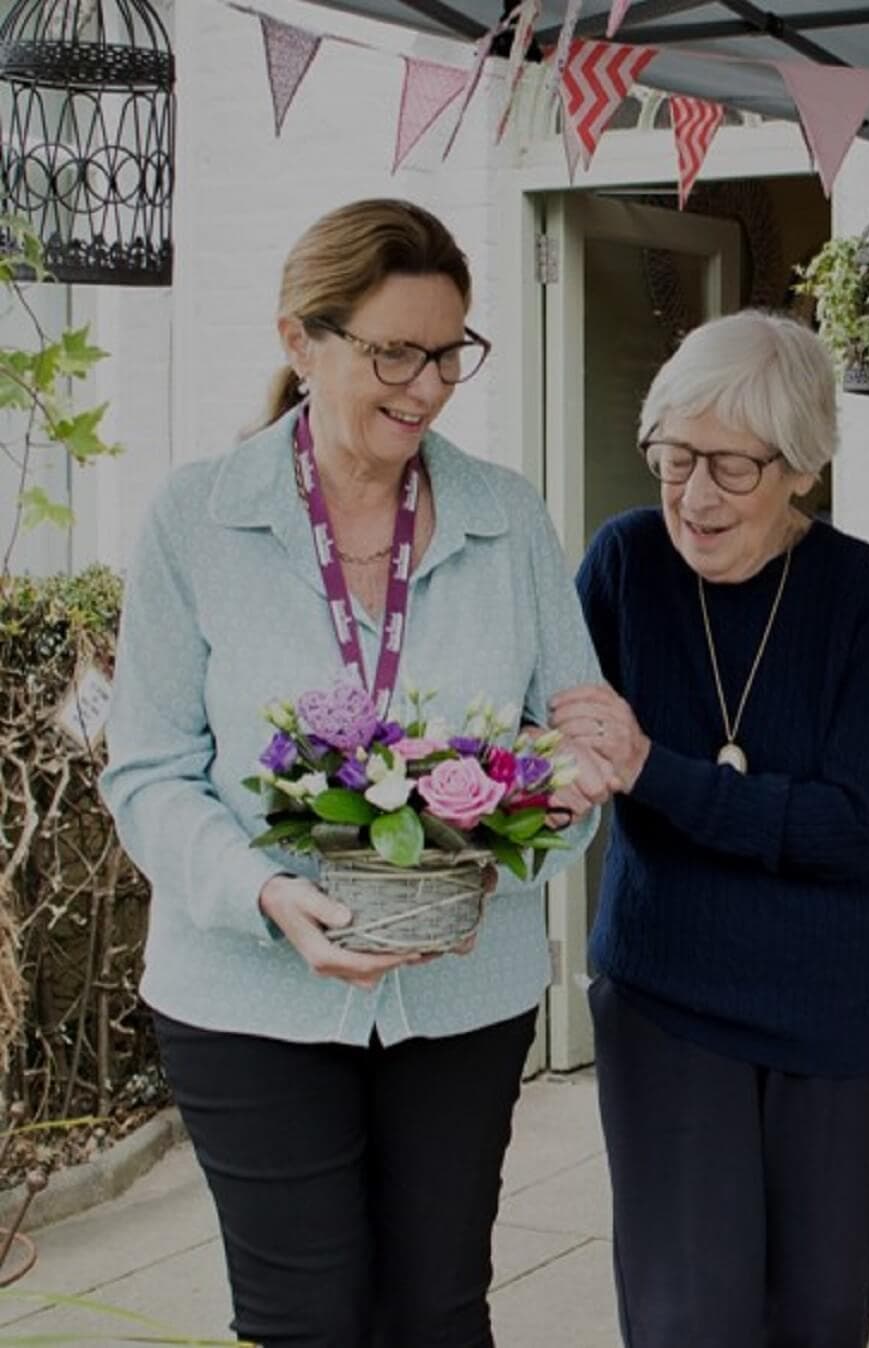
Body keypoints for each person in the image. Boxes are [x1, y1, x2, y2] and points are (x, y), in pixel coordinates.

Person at [100, 198, 603, 1348]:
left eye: (447, 353)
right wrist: (264, 895)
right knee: (307, 1320)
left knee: (438, 1309)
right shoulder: (197, 519)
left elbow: (569, 736)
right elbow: (150, 773)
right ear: (299, 341)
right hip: (246, 996)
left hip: (463, 998)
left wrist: (554, 813)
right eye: (394, 352)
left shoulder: (506, 517)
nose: (426, 387)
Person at [550, 309, 869, 1348]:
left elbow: (847, 826)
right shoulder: (624, 565)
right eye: (675, 459)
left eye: (730, 468)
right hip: (668, 994)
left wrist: (654, 770)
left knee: (823, 1316)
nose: (694, 497)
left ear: (800, 467)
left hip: (831, 1010)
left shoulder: (852, 589)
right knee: (688, 1323)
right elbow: (564, 747)